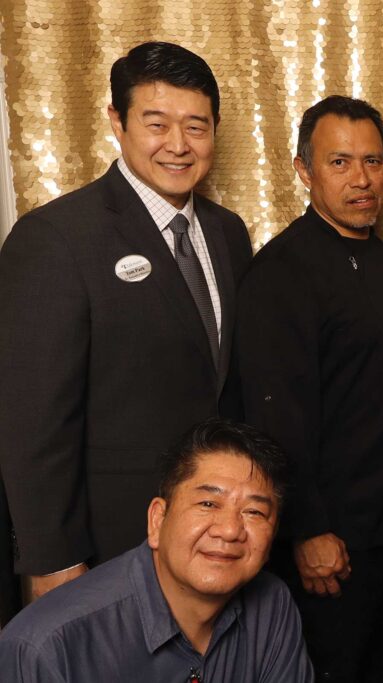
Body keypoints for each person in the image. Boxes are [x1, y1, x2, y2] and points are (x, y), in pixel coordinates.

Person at [0, 41, 252, 601]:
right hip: (107, 549)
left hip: (216, 545)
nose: (178, 145)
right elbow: (32, 423)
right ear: (117, 121)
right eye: (157, 124)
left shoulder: (229, 233)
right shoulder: (57, 238)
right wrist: (54, 562)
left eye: (196, 127)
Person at [234, 95, 383, 681]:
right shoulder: (284, 270)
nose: (361, 179)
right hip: (330, 539)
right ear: (304, 170)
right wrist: (308, 529)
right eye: (340, 162)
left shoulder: (376, 253)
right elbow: (276, 415)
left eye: (373, 161)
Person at [0, 418, 314, 681]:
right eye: (208, 503)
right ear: (157, 520)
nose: (230, 530)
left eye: (254, 512)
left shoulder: (272, 605)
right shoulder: (47, 647)